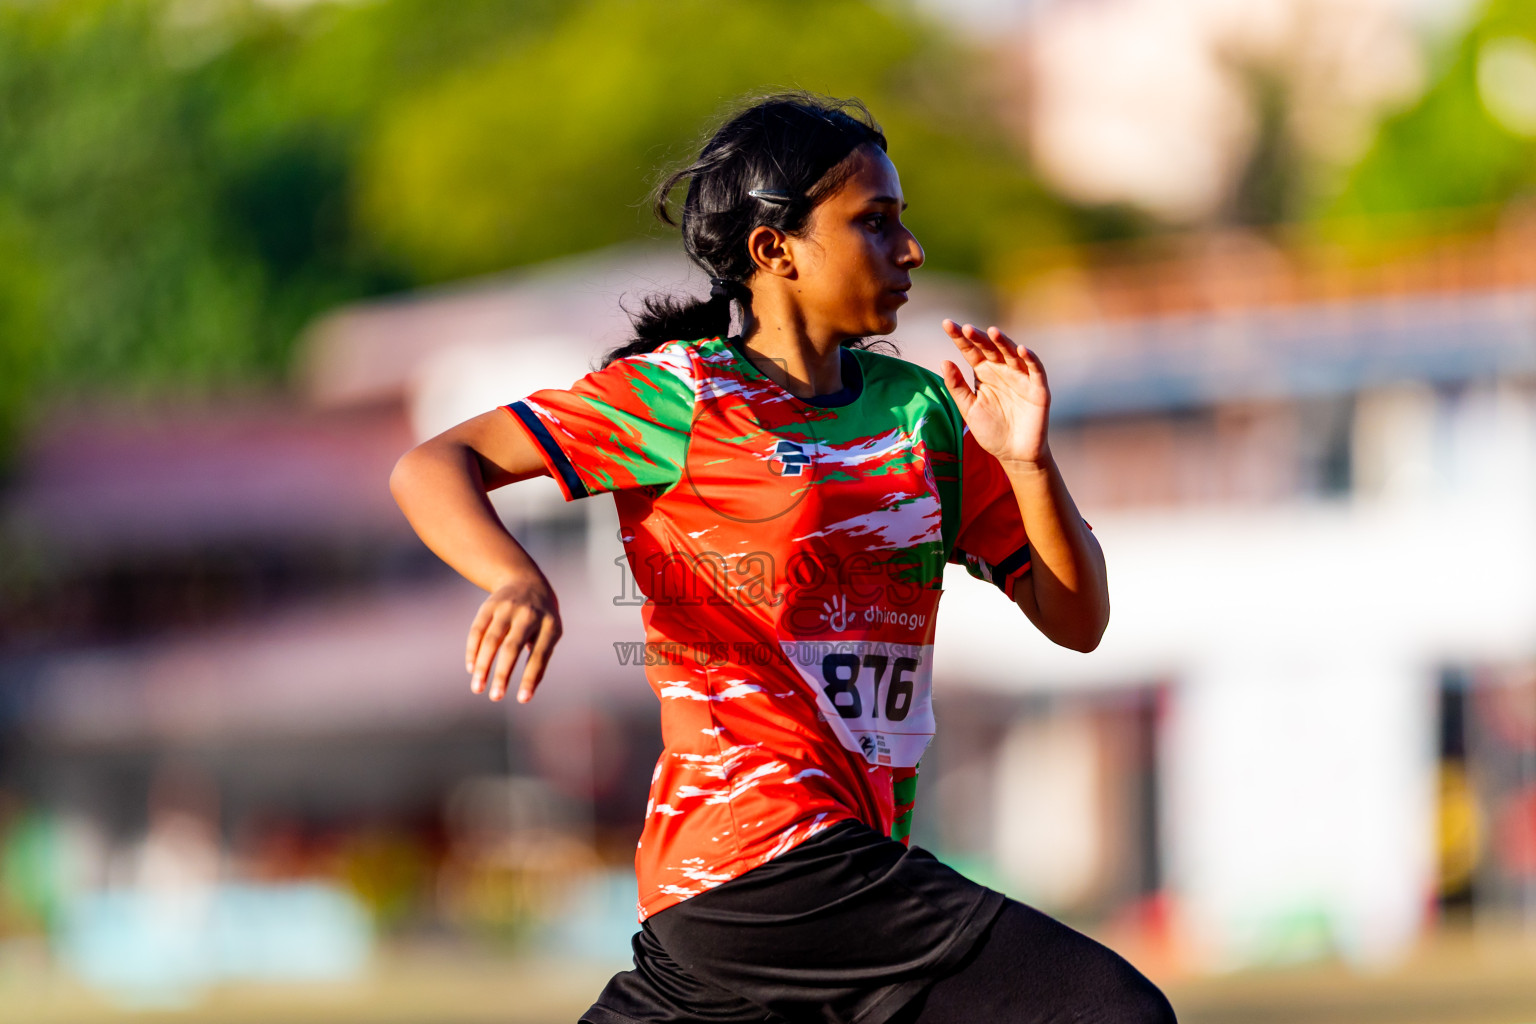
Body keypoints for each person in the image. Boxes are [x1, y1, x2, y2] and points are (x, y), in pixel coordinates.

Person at [390, 92, 1174, 1024]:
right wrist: (513, 575)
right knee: (1110, 1012)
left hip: (783, 885)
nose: (910, 249)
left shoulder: (924, 411)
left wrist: (1029, 464)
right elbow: (434, 464)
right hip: (765, 853)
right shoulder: (682, 394)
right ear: (775, 250)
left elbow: (1077, 621)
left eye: (903, 222)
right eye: (875, 222)